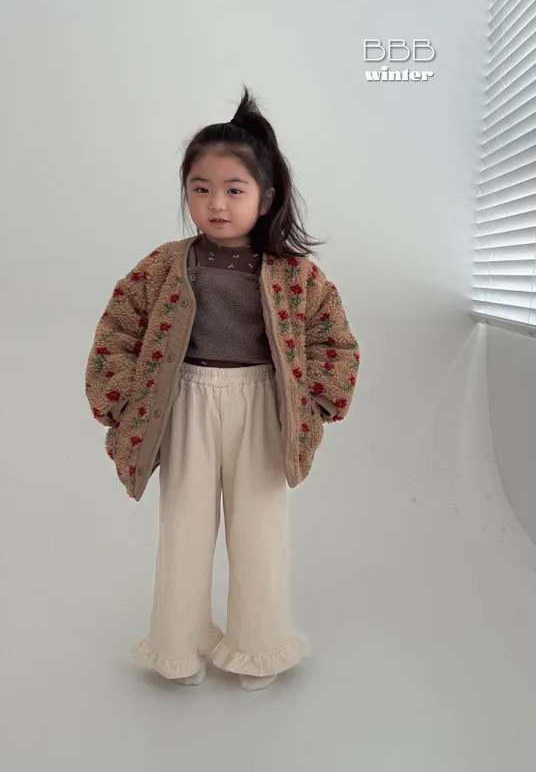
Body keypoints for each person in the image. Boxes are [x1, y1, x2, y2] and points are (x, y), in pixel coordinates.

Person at [84, 87, 360, 691]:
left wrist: (314, 401)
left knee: (260, 531)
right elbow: (118, 329)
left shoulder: (294, 275)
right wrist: (122, 397)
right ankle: (178, 643)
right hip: (183, 401)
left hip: (263, 407)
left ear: (266, 197)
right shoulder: (164, 265)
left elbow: (332, 340)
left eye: (234, 190)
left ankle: (259, 645)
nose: (215, 203)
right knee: (182, 529)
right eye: (200, 188)